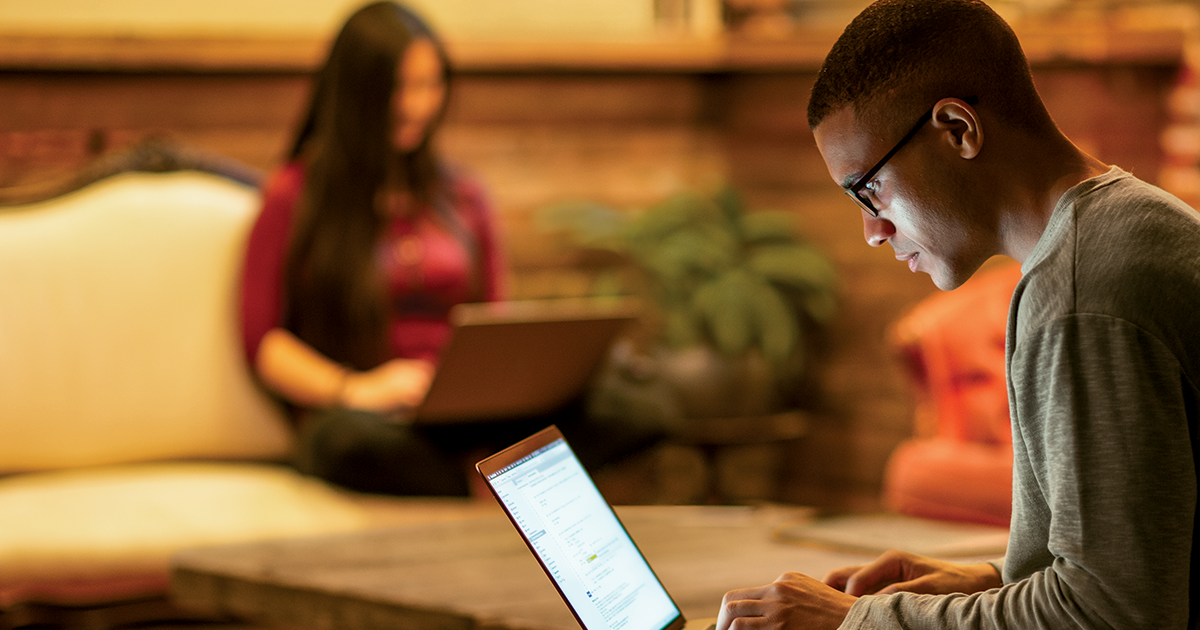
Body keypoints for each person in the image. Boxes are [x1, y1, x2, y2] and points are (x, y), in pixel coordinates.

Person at [716, 1, 1200, 628]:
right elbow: (1149, 559)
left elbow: (1109, 614)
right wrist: (986, 581)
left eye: (868, 189)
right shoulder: (1127, 222)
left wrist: (860, 622)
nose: (871, 230)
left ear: (957, 129)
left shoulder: (1082, 291)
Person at [240, 2, 661, 496]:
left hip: (470, 414)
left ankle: (483, 471)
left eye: (430, 85)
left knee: (643, 405)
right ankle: (497, 479)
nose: (417, 105)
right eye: (399, 87)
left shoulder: (462, 196)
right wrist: (356, 389)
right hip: (371, 418)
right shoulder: (295, 195)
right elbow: (263, 342)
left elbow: (496, 321)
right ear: (357, 93)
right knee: (344, 441)